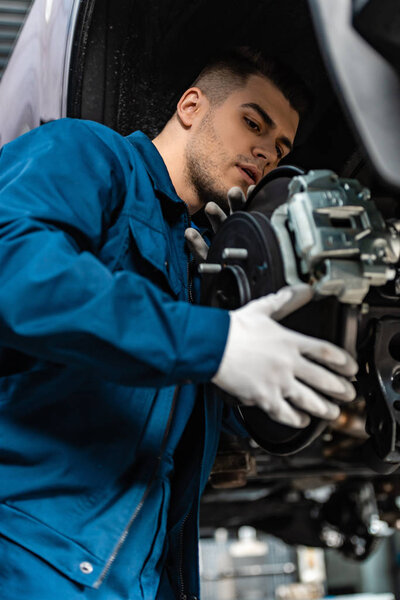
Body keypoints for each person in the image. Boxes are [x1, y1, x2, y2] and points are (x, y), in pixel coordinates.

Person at [0, 48, 357, 599]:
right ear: (192, 106)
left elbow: (186, 421)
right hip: (38, 561)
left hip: (144, 574)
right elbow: (16, 273)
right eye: (252, 122)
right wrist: (215, 341)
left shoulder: (197, 258)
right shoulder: (86, 153)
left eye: (282, 146)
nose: (265, 151)